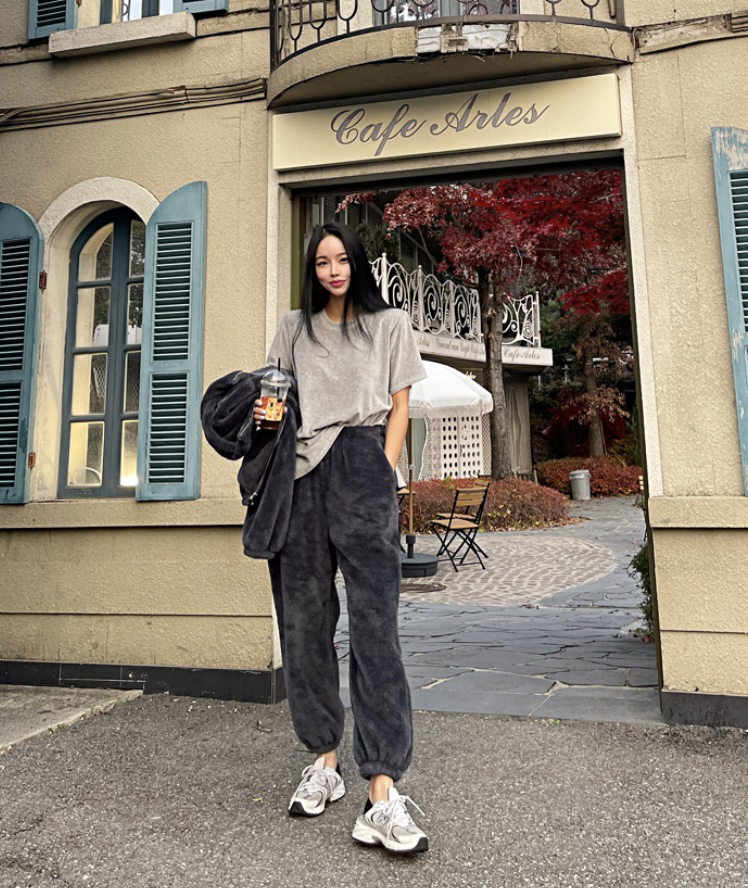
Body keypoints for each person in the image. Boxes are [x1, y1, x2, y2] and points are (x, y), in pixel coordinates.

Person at [254, 222, 428, 854]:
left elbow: (399, 406)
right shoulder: (291, 328)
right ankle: (323, 761)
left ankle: (382, 788)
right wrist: (263, 414)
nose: (333, 270)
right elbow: (274, 403)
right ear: (312, 269)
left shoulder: (390, 324)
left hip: (362, 466)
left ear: (357, 263)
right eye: (322, 262)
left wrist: (382, 469)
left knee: (376, 629)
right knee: (304, 626)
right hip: (301, 479)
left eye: (342, 259)